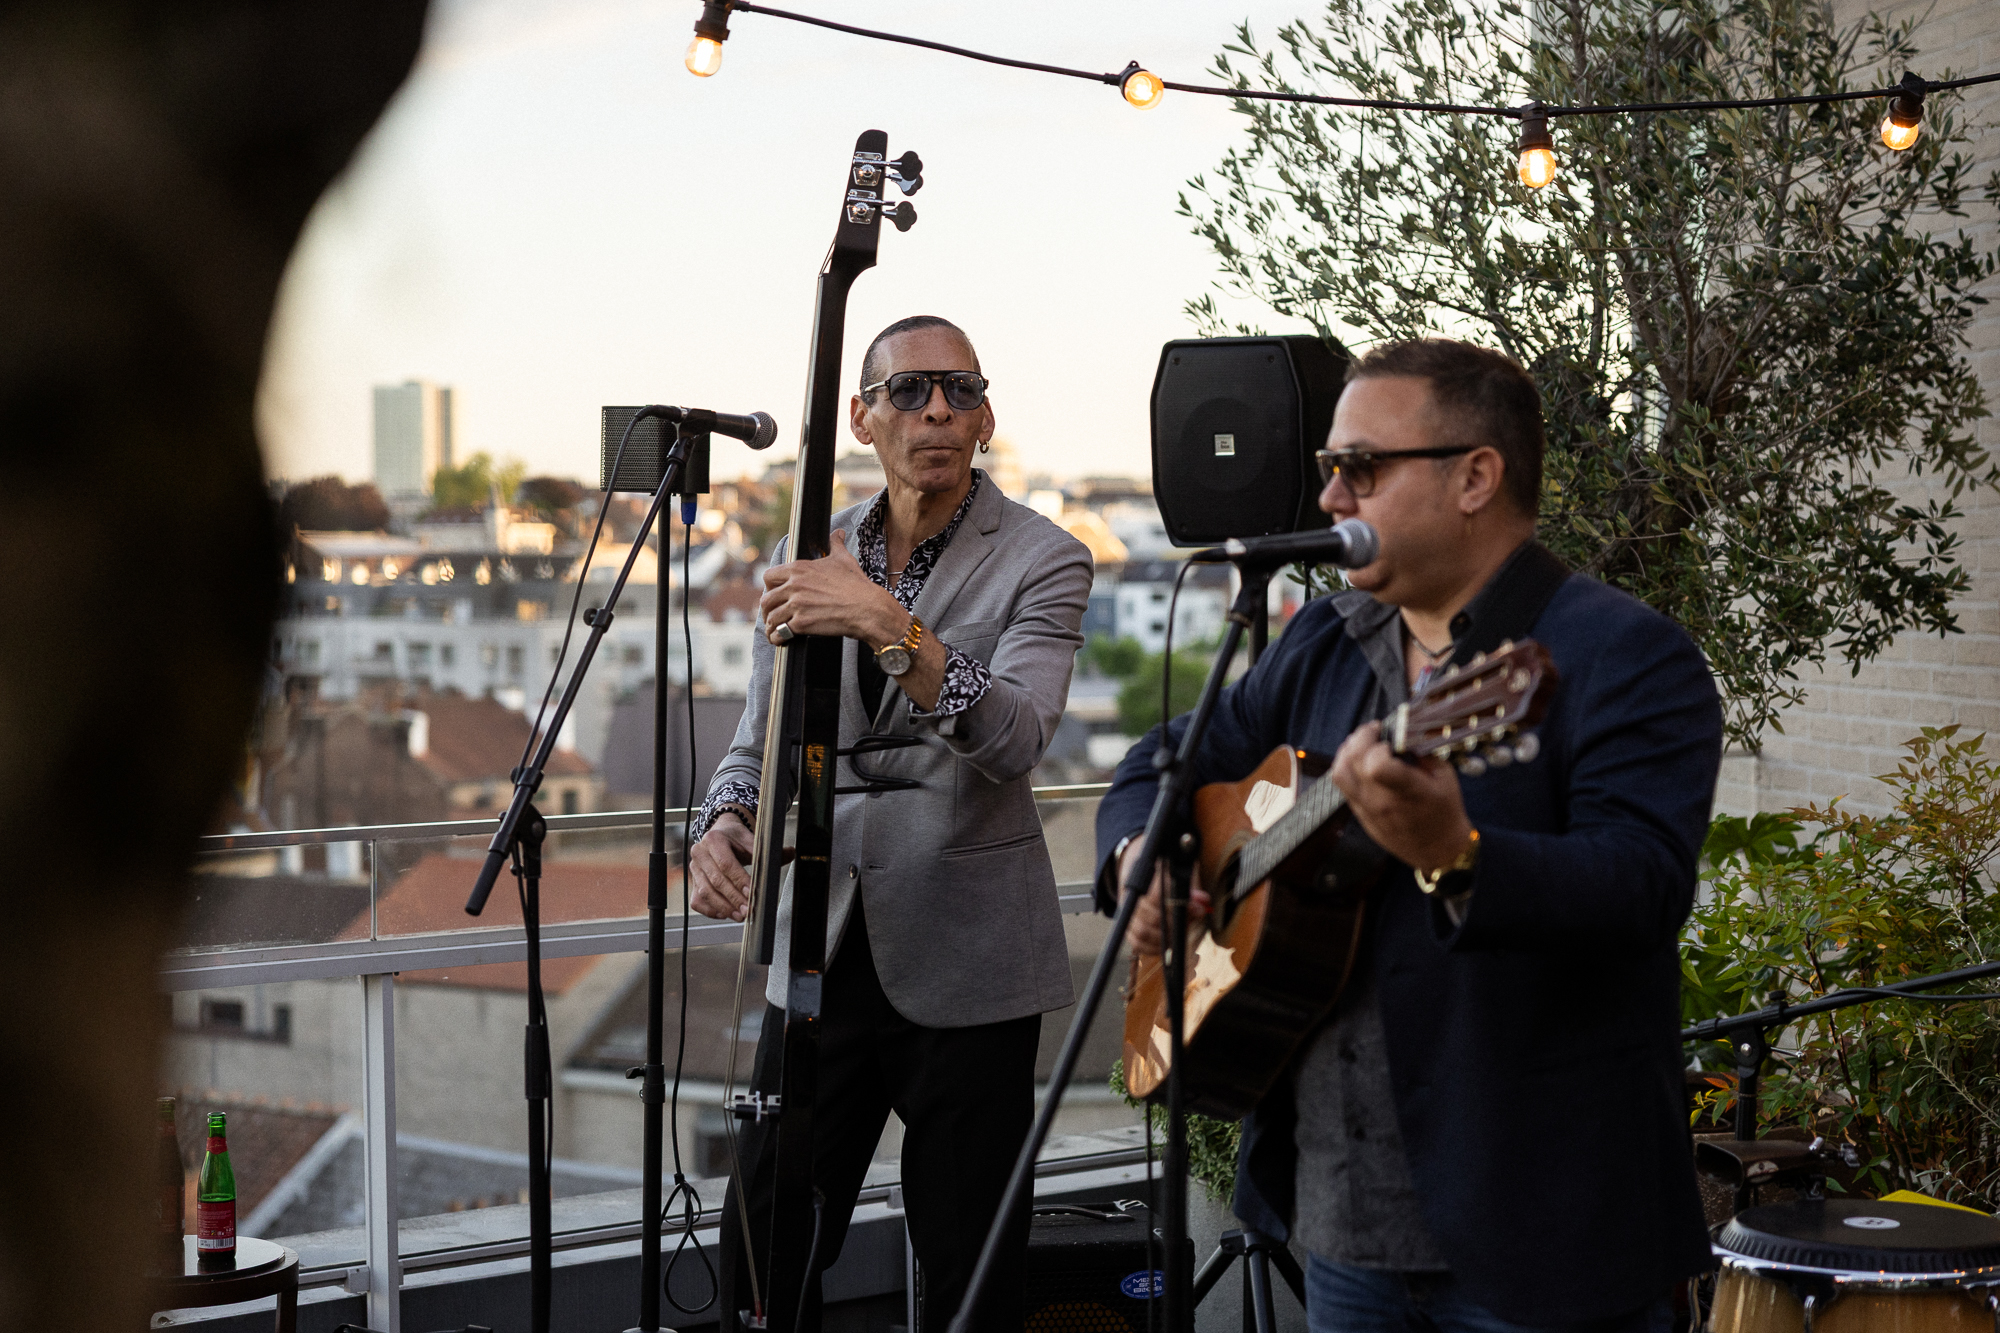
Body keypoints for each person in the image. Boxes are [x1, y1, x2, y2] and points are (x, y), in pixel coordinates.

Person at [1096, 339, 1721, 1331]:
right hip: (1342, 1223)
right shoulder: (1323, 640)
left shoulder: (1624, 655)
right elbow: (1161, 761)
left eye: (1360, 467)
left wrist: (1457, 854)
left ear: (1475, 477)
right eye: (1327, 468)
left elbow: (1642, 887)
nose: (1330, 498)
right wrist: (1140, 858)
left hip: (1541, 1228)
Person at [688, 315, 1093, 1332]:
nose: (938, 410)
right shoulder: (804, 551)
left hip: (970, 947)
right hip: (819, 941)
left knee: (969, 1260)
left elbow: (1015, 735)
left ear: (986, 417)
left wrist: (884, 621)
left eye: (961, 390)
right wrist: (723, 819)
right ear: (862, 417)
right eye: (909, 390)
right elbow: (757, 739)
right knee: (763, 1241)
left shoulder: (1046, 557)